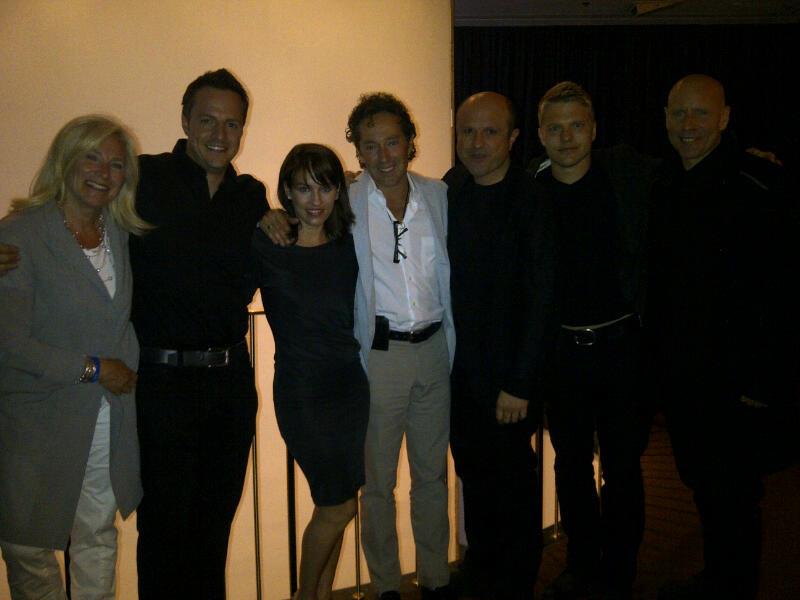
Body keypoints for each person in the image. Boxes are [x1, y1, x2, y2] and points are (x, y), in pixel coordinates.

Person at [263, 92, 454, 600]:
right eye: (370, 145)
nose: (383, 155)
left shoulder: (439, 195)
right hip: (380, 356)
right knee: (376, 484)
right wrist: (268, 215)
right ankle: (386, 585)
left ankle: (436, 578)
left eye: (392, 142)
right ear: (358, 152)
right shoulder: (348, 203)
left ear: (410, 142)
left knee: (433, 476)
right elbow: (304, 208)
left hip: (435, 350)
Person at [648, 74, 798, 600]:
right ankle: (717, 578)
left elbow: (784, 295)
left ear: (725, 118)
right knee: (704, 487)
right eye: (678, 113)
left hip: (737, 383)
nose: (688, 125)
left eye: (701, 113)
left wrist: (763, 383)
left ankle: (735, 586)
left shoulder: (761, 185)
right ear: (665, 118)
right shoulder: (665, 181)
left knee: (735, 494)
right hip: (683, 378)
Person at [130, 69, 268, 599]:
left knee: (213, 532)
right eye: (208, 120)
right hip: (160, 385)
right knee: (163, 532)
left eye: (232, 124)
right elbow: (79, 204)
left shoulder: (250, 197)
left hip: (229, 385)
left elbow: (307, 220)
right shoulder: (144, 177)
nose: (219, 134)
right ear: (185, 120)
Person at [0, 115, 148, 599]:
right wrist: (95, 369)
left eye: (116, 164)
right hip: (35, 418)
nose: (103, 172)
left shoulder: (122, 233)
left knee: (96, 537)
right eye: (91, 157)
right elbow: (10, 343)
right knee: (27, 546)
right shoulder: (20, 235)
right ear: (64, 160)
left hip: (105, 417)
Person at [528, 82, 657, 600]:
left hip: (622, 349)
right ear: (540, 134)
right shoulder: (530, 188)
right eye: (555, 128)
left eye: (576, 126)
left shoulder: (626, 177)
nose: (566, 137)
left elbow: (690, 165)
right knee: (571, 465)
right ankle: (582, 564)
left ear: (594, 129)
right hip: (562, 353)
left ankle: (620, 573)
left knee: (624, 467)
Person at [444, 91, 557, 599]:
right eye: (467, 131)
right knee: (473, 475)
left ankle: (515, 584)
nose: (476, 142)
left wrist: (520, 383)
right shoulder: (452, 190)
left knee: (512, 485)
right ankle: (483, 570)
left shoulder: (533, 200)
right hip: (459, 375)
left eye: (489, 131)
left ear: (512, 138)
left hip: (509, 381)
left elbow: (543, 298)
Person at [250, 144, 369, 600]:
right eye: (303, 188)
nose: (315, 200)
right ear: (287, 192)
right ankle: (304, 595)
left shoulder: (349, 243)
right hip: (302, 391)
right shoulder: (269, 243)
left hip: (350, 387)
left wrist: (357, 180)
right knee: (337, 506)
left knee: (340, 502)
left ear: (338, 191)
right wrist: (264, 216)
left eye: (325, 187)